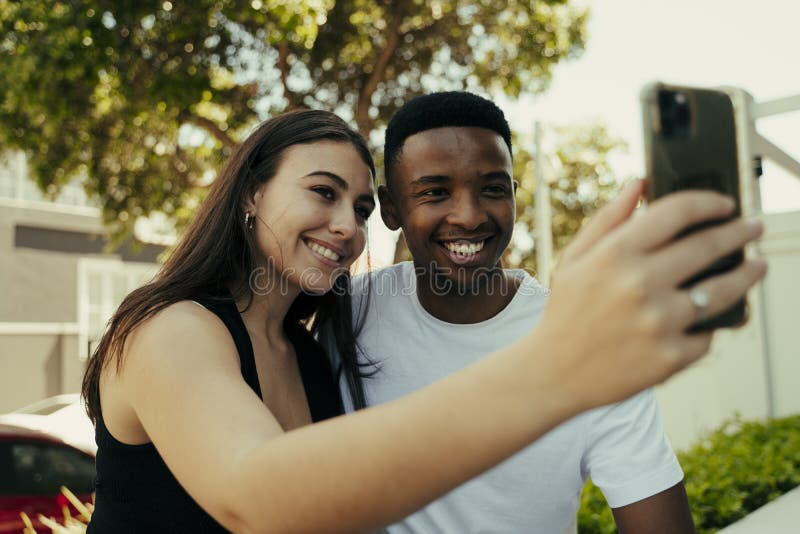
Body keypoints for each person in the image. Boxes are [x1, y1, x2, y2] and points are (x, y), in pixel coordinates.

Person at [81, 108, 765, 534]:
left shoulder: (312, 342)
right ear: (253, 192)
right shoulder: (170, 329)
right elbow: (256, 500)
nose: (344, 226)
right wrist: (558, 365)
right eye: (322, 193)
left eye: (356, 206)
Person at [326, 91, 767, 533]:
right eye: (435, 192)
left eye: (493, 189)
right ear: (390, 208)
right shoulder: (351, 309)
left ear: (515, 196)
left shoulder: (591, 342)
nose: (469, 215)